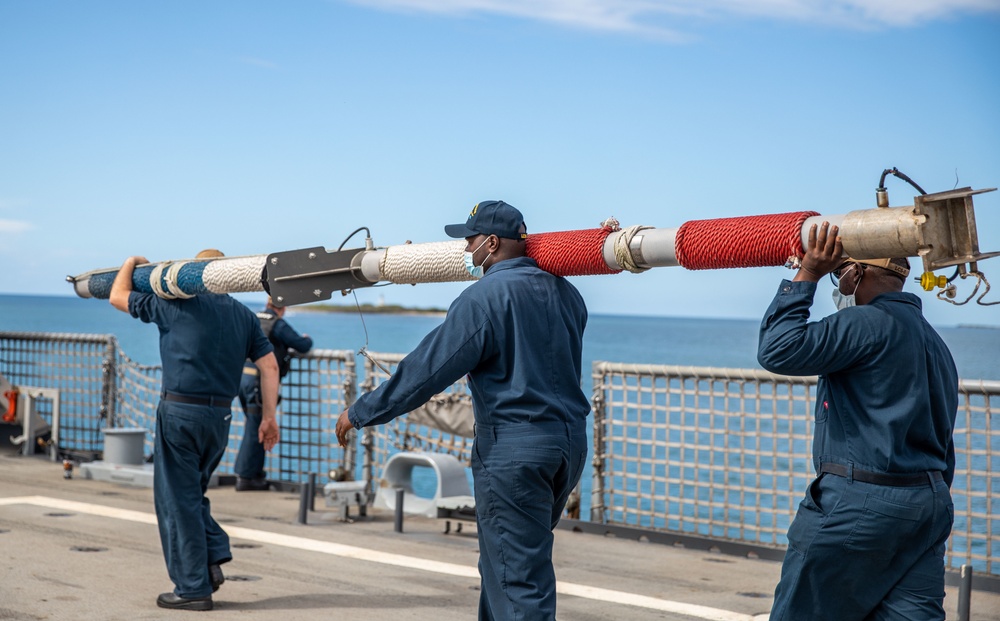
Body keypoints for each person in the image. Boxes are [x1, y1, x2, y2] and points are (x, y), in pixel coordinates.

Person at [335, 200, 590, 620]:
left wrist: (362, 411)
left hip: (513, 449)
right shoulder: (568, 293)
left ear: (491, 243)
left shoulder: (482, 299)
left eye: (470, 239)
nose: (466, 248)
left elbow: (426, 371)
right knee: (505, 565)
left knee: (518, 580)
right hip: (568, 445)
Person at [757, 222, 958, 620]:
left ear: (856, 273)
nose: (839, 284)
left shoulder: (863, 324)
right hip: (928, 504)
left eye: (839, 273)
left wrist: (808, 274)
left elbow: (777, 350)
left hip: (861, 502)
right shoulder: (935, 342)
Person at [109, 249, 281, 611]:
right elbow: (269, 365)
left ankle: (192, 588)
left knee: (176, 502)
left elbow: (116, 295)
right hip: (220, 419)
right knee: (191, 495)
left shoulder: (175, 305)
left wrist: (130, 263)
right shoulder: (244, 316)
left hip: (179, 413)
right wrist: (269, 417)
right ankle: (211, 556)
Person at [235, 298, 313, 491]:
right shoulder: (277, 324)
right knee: (256, 428)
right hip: (258, 382)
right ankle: (246, 477)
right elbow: (302, 345)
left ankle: (254, 473)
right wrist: (307, 338)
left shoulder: (253, 318)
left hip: (242, 378)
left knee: (253, 426)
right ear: (283, 308)